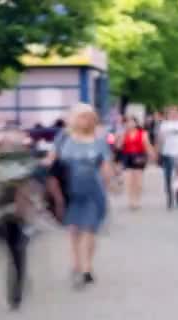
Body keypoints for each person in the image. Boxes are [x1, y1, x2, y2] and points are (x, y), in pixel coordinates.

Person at [45, 103, 113, 288]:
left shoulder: (100, 140)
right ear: (74, 119)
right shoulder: (63, 137)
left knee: (89, 228)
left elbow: (106, 166)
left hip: (92, 190)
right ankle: (76, 263)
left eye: (89, 117)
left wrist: (108, 184)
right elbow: (51, 160)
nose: (86, 120)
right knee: (74, 229)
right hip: (69, 190)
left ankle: (87, 268)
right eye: (82, 116)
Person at [116, 116, 155, 210]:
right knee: (128, 181)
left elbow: (147, 145)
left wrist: (152, 154)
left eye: (132, 122)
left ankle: (137, 200)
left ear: (136, 123)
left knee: (138, 181)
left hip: (139, 156)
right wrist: (120, 137)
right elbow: (118, 146)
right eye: (128, 122)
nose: (130, 124)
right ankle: (131, 200)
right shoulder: (124, 133)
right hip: (127, 157)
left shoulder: (143, 133)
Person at [157, 106, 178, 209]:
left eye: (175, 113)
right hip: (167, 153)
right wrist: (158, 152)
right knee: (167, 177)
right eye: (171, 113)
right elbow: (160, 139)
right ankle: (169, 199)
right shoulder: (164, 125)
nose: (173, 115)